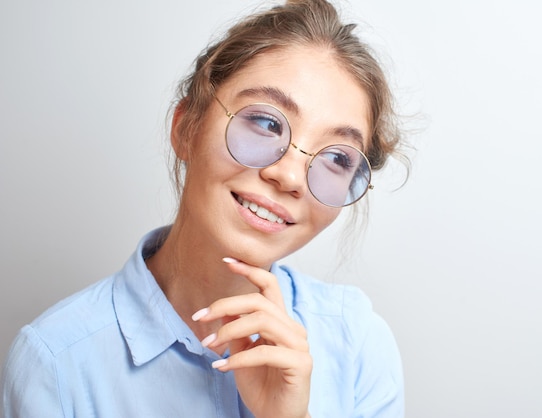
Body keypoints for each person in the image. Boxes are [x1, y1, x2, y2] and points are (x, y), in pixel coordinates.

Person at [2, 0, 410, 416]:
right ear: (186, 127)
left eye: (337, 158)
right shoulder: (55, 361)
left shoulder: (356, 342)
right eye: (267, 123)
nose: (289, 177)